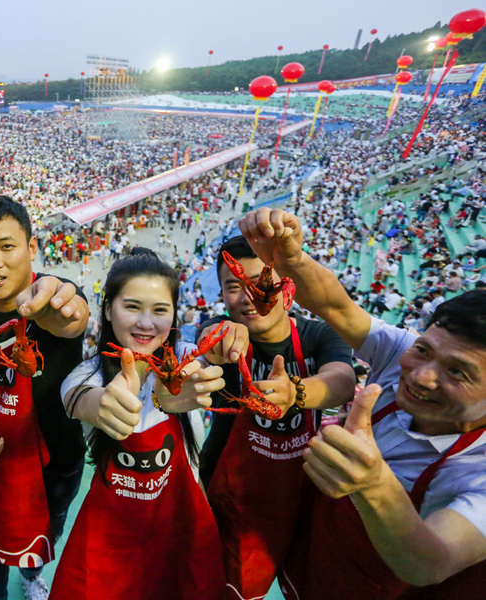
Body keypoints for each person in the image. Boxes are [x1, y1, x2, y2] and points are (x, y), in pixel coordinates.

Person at [239, 207, 486, 599]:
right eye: (423, 350)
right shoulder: (404, 352)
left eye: (458, 372)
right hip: (312, 563)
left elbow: (432, 561)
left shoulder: (479, 467)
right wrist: (293, 261)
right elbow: (337, 307)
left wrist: (373, 485)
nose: (421, 374)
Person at [51, 248, 227, 599]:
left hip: (182, 529)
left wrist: (231, 337)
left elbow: (218, 351)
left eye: (160, 310)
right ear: (107, 309)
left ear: (175, 315)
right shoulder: (85, 377)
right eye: (132, 307)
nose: (146, 323)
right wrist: (106, 406)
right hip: (110, 542)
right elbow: (85, 402)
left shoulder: (190, 359)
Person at [195, 235, 355, 599]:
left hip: (305, 498)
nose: (249, 296)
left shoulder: (318, 335)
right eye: (234, 286)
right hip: (233, 504)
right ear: (221, 294)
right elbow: (211, 338)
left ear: (286, 287)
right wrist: (215, 339)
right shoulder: (224, 334)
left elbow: (342, 380)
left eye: (261, 284)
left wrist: (296, 393)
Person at [0, 196, 89, 600]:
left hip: (57, 459)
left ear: (32, 248)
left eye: (7, 247)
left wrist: (50, 306)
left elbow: (72, 316)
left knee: (49, 529)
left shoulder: (54, 297)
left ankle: (32, 574)